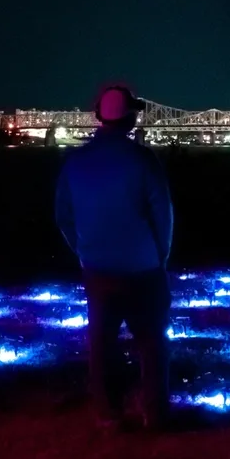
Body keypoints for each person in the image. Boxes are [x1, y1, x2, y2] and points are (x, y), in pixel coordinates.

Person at [55, 85, 173, 431]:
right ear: (132, 117)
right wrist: (159, 257)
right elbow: (163, 216)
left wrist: (82, 250)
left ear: (99, 117)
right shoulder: (144, 160)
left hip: (97, 268)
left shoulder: (76, 161)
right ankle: (154, 413)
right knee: (152, 344)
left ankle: (107, 413)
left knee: (101, 345)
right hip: (144, 269)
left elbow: (63, 215)